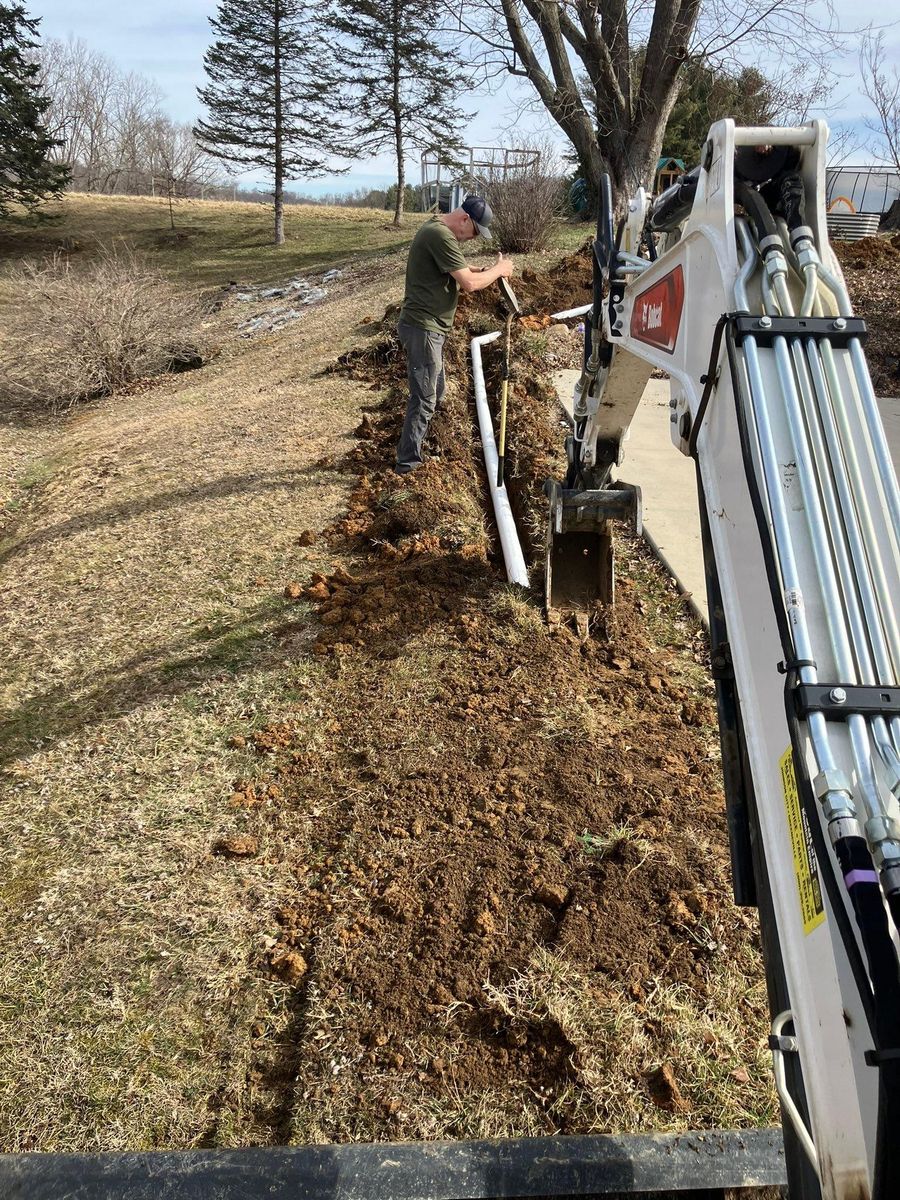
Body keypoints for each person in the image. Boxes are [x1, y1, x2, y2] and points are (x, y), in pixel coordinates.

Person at [394, 194, 514, 474]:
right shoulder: (440, 235)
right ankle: (408, 464)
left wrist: (485, 270)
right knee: (424, 396)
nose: (472, 239)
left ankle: (419, 446)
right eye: (474, 233)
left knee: (436, 391)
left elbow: (460, 269)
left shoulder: (438, 229)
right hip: (423, 328)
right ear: (464, 219)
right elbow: (470, 284)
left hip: (429, 328)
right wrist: (498, 271)